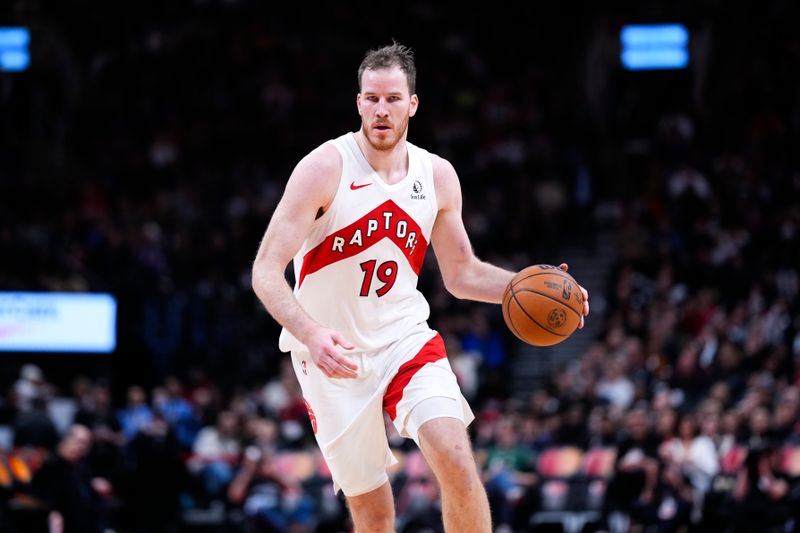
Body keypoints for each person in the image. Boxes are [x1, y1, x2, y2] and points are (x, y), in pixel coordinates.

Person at [251, 42, 589, 532]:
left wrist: (530, 285)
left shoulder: (436, 176)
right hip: (332, 356)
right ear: (359, 102)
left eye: (393, 98)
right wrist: (310, 332)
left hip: (404, 339)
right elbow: (265, 269)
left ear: (412, 104)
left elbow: (463, 274)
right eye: (371, 98)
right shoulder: (324, 167)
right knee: (374, 513)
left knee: (454, 457)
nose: (381, 109)